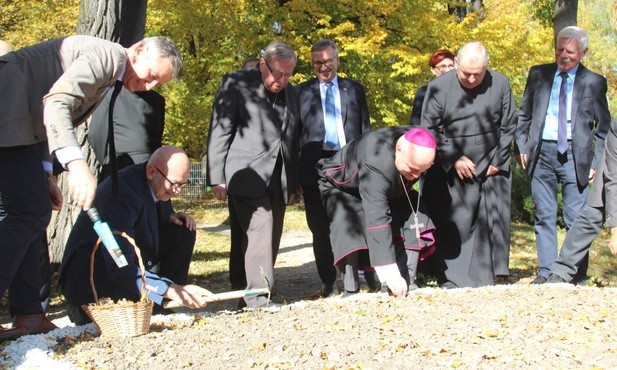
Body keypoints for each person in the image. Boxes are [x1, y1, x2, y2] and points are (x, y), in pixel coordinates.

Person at [0, 35, 182, 341]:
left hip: (20, 127)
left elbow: (41, 121)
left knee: (34, 212)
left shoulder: (111, 75)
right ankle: (29, 311)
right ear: (138, 51)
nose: (149, 86)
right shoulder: (107, 57)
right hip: (6, 111)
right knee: (28, 211)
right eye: (150, 76)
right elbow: (55, 103)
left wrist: (45, 173)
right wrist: (76, 164)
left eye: (156, 84)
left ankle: (30, 314)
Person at [60, 146, 210, 324]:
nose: (177, 192)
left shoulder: (156, 182)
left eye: (182, 185)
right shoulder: (121, 194)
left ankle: (165, 306)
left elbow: (148, 211)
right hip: (93, 274)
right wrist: (171, 289)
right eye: (174, 184)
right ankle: (167, 295)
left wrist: (169, 216)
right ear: (151, 171)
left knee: (182, 231)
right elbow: (120, 266)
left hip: (123, 259)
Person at [206, 41, 301, 308]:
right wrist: (217, 176)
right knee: (261, 226)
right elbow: (220, 129)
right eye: (277, 73)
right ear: (262, 64)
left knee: (258, 235)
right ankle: (258, 297)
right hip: (245, 173)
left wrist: (294, 180)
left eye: (287, 75)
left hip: (279, 177)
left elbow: (293, 139)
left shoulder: (291, 94)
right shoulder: (236, 83)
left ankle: (242, 293)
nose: (281, 80)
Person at [515, 26, 611, 284]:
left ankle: (574, 275)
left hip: (575, 157)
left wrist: (597, 162)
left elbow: (604, 128)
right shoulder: (538, 74)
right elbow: (523, 114)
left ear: (583, 52)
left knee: (575, 219)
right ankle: (546, 273)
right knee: (544, 215)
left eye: (570, 51)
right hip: (540, 153)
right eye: (560, 49)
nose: (563, 55)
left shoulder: (594, 82)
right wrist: (521, 145)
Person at [420, 41, 517, 288]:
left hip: (491, 158)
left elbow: (509, 124)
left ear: (487, 67)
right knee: (459, 221)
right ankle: (454, 278)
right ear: (457, 66)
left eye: (478, 73)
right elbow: (429, 128)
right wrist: (453, 158)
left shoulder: (501, 83)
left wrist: (498, 160)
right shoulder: (438, 87)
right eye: (466, 73)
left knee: (487, 221)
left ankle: (484, 278)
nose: (472, 79)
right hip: (454, 160)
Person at [317, 126, 437, 297]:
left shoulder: (418, 143)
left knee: (414, 214)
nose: (416, 175)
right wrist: (390, 275)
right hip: (342, 186)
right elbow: (377, 220)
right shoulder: (376, 161)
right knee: (347, 223)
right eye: (412, 168)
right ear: (399, 150)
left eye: (422, 171)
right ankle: (351, 289)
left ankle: (409, 278)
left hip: (389, 185)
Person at [297, 40, 371, 297]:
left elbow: (365, 129)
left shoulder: (355, 89)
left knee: (354, 219)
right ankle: (328, 280)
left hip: (348, 161)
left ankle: (364, 273)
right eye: (318, 63)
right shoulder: (300, 92)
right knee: (319, 226)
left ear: (337, 61)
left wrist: (366, 163)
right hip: (314, 166)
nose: (323, 67)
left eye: (328, 61)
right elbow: (294, 135)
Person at [543, 117, 617, 283]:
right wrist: (615, 229)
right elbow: (614, 178)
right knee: (593, 213)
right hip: (614, 171)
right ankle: (561, 272)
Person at [88, 85, 166, 181]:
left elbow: (96, 134)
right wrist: (109, 160)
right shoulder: (110, 94)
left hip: (146, 171)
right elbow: (96, 135)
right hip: (121, 168)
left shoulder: (158, 100)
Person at [409, 49, 455, 126]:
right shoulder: (424, 93)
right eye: (442, 66)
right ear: (433, 70)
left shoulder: (463, 90)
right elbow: (416, 124)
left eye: (451, 66)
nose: (448, 70)